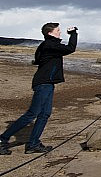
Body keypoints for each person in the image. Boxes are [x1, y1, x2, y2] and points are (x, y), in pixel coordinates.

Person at [0, 23, 77, 155]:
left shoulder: (47, 45)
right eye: (58, 30)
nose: (60, 32)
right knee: (32, 114)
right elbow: (70, 48)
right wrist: (74, 33)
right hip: (43, 83)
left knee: (44, 114)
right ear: (50, 33)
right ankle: (2, 139)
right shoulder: (49, 45)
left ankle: (33, 144)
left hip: (47, 82)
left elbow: (37, 59)